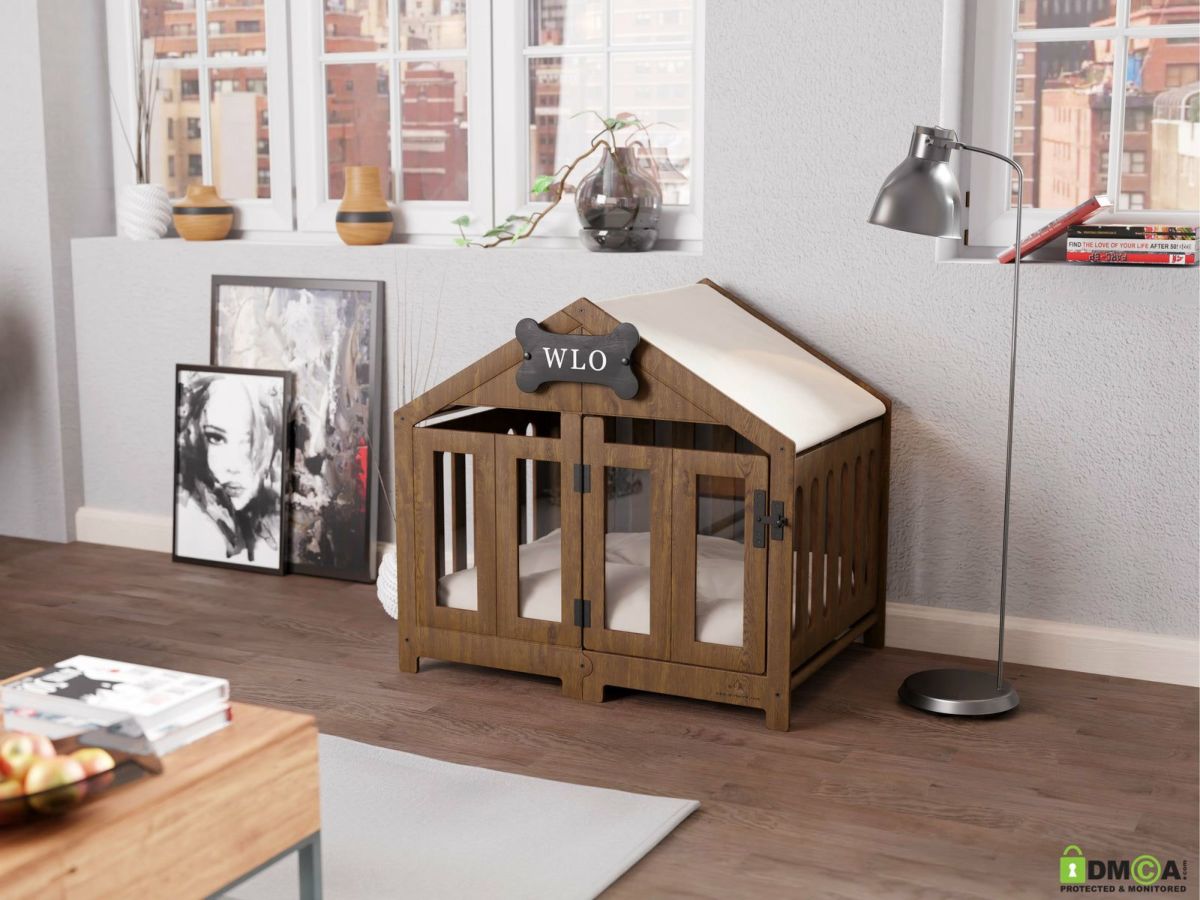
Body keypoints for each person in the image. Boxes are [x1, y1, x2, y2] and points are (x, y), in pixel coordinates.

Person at [175, 371, 284, 567]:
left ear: (272, 444)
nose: (232, 467)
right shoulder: (194, 517)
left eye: (248, 441)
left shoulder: (277, 516)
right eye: (216, 438)